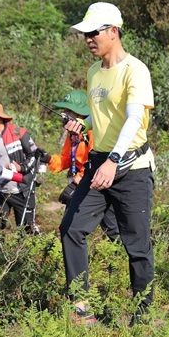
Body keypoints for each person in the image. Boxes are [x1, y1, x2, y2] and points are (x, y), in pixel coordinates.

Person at [60, 2, 155, 326]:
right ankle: (80, 306)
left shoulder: (135, 70)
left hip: (131, 165)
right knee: (71, 228)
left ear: (114, 31)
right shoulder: (93, 72)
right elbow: (100, 116)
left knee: (137, 245)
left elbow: (132, 119)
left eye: (93, 32)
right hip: (99, 163)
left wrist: (113, 160)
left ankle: (143, 316)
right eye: (85, 34)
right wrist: (82, 123)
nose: (88, 38)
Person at [46, 90, 119, 242]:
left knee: (111, 227)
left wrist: (76, 183)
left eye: (68, 111)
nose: (64, 114)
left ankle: (126, 255)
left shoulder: (92, 132)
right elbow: (66, 159)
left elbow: (95, 161)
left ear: (79, 113)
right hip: (83, 183)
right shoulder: (73, 133)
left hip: (95, 182)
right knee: (75, 225)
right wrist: (47, 159)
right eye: (64, 111)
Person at [0, 101, 41, 242]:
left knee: (27, 230)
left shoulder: (18, 133)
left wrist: (21, 168)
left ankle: (28, 260)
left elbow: (35, 155)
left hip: (22, 191)